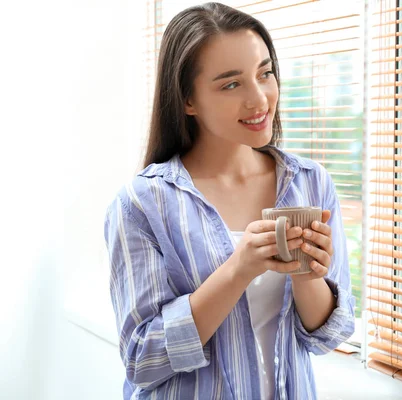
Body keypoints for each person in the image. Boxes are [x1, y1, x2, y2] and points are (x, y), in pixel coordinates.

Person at [104, 2, 355, 399]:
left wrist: (309, 277)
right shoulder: (141, 203)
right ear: (188, 100)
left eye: (265, 73)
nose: (260, 99)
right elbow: (142, 359)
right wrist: (237, 269)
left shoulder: (310, 182)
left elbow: (327, 338)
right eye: (231, 84)